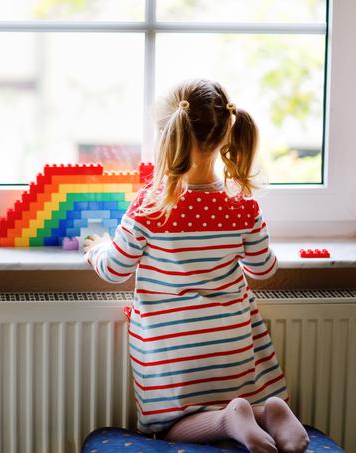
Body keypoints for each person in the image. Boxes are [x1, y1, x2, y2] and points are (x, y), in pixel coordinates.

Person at [84, 79, 309, 453]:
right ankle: (267, 413)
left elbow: (115, 269)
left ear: (167, 135)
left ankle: (229, 419)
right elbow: (262, 268)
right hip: (231, 342)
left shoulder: (152, 205)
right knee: (239, 393)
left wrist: (96, 248)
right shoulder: (241, 204)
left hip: (175, 350)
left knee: (173, 428)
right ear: (226, 135)